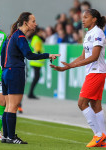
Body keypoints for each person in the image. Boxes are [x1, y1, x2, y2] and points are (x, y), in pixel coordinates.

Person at [1, 12, 60, 144]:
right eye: (33, 21)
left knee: (8, 106)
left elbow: (2, 53)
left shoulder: (11, 36)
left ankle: (6, 136)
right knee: (13, 107)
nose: (35, 23)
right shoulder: (20, 36)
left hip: (6, 72)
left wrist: (5, 70)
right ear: (26, 22)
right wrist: (48, 55)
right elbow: (29, 55)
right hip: (15, 72)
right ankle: (11, 137)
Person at [50, 9, 106, 148]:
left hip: (96, 72)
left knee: (81, 103)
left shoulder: (98, 33)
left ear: (94, 19)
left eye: (86, 17)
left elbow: (93, 57)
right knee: (95, 105)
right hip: (94, 72)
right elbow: (83, 56)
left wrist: (71, 66)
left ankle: (98, 135)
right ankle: (103, 137)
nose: (83, 19)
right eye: (82, 17)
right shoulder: (88, 34)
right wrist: (67, 67)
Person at [28, 27, 46, 99]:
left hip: (34, 62)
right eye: (41, 32)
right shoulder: (37, 40)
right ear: (38, 32)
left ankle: (31, 93)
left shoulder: (34, 38)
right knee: (36, 77)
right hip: (37, 62)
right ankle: (30, 93)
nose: (42, 33)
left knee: (36, 77)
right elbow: (38, 51)